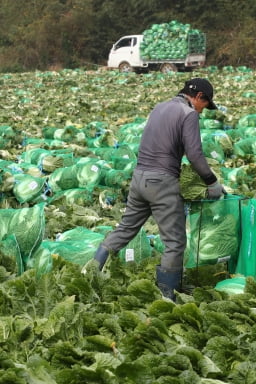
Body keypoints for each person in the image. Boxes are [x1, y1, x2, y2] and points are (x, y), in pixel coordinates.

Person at [91, 77, 225, 301]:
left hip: (139, 178)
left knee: (125, 229)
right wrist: (211, 182)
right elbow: (194, 155)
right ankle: (167, 296)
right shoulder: (188, 113)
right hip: (162, 182)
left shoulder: (160, 107)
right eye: (205, 104)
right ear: (199, 97)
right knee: (174, 241)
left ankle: (92, 271)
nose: (203, 111)